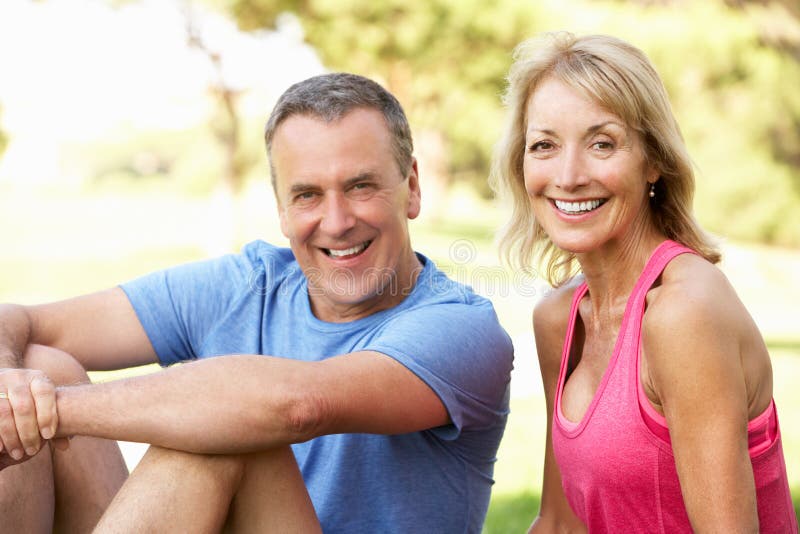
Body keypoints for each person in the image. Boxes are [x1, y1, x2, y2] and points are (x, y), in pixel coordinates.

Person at [0, 72, 514, 533]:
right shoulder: (248, 285)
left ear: (413, 188)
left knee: (229, 434)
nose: (336, 222)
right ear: (282, 209)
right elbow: (15, 321)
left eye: (360, 187)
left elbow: (298, 408)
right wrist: (14, 398)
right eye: (308, 195)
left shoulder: (463, 330)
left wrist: (53, 412)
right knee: (39, 364)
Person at [491, 32, 797, 533]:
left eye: (602, 143)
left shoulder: (684, 312)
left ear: (653, 159)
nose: (568, 176)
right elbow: (560, 524)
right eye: (544, 145)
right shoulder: (558, 319)